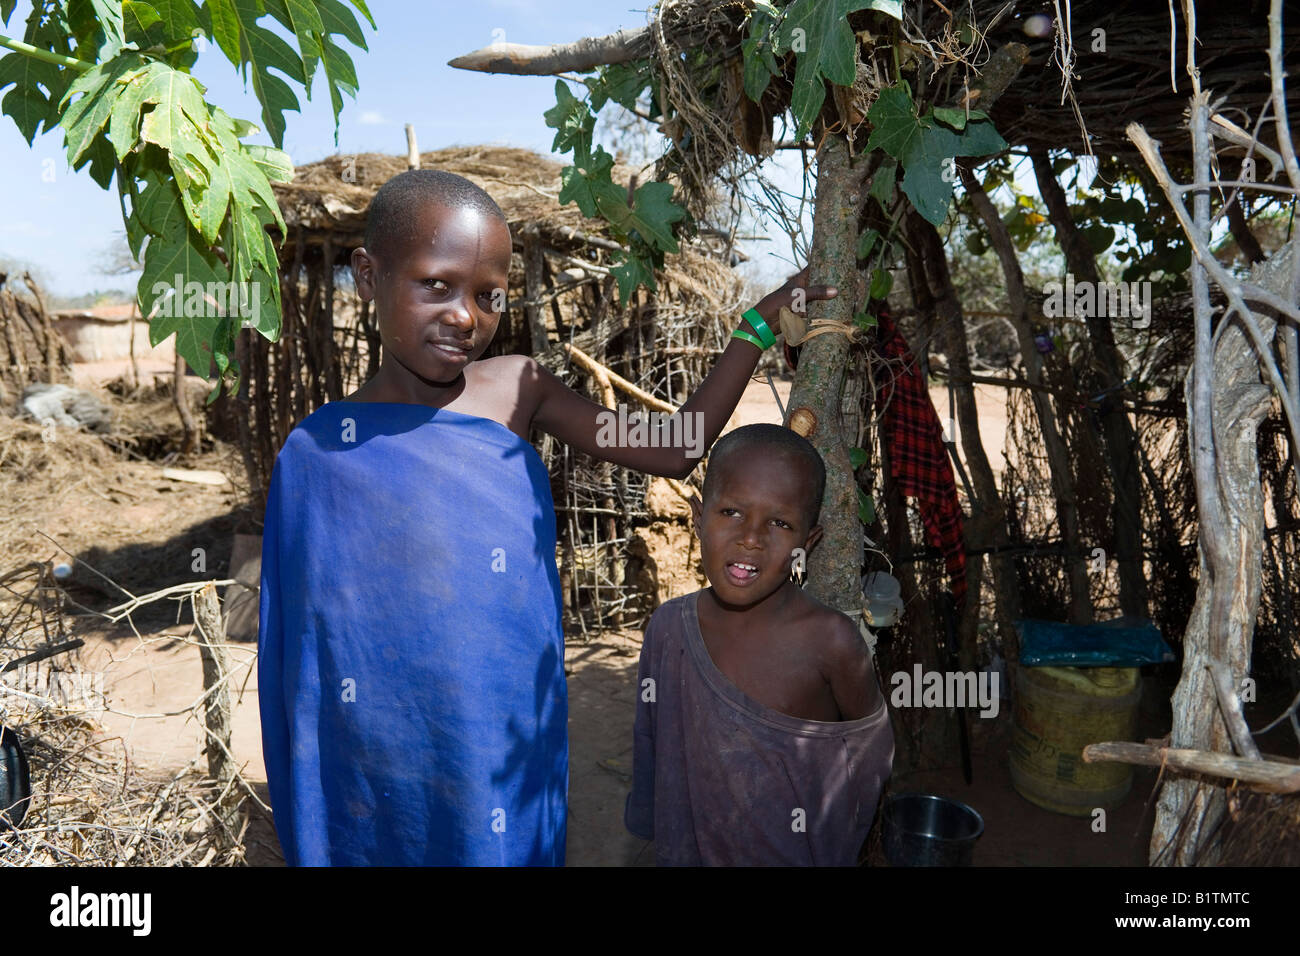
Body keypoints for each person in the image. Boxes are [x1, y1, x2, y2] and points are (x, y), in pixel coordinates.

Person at [257, 169, 835, 865]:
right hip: (375, 748)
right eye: (435, 285)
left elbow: (677, 449)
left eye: (488, 296)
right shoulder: (320, 450)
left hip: (498, 733)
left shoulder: (516, 387)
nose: (466, 316)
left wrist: (758, 322)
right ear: (368, 275)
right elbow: (306, 657)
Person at [624, 423, 894, 865]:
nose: (751, 537)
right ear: (697, 516)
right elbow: (651, 741)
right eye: (731, 512)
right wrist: (652, 827)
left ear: (808, 542)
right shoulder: (668, 628)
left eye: (780, 522)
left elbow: (869, 755)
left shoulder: (831, 642)